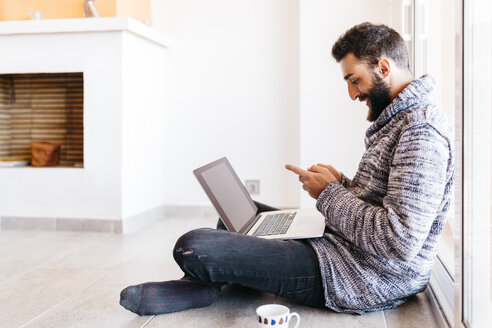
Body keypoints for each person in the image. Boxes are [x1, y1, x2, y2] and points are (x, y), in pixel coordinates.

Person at [119, 22, 454, 315]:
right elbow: (381, 204)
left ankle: (203, 286)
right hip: (344, 248)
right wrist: (342, 182)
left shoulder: (421, 131)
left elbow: (400, 240)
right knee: (236, 219)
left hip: (361, 274)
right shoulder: (400, 120)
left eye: (354, 80)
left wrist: (330, 193)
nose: (352, 93)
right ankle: (211, 283)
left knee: (194, 245)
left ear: (383, 67)